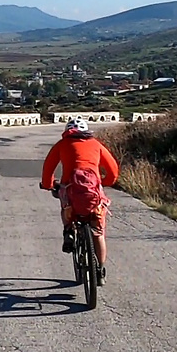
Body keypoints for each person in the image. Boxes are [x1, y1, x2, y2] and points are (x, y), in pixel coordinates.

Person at [39, 117, 119, 281]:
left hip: (70, 189)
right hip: (93, 191)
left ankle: (69, 229)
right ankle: (100, 271)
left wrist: (48, 185)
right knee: (98, 233)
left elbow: (48, 168)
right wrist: (104, 182)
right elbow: (113, 170)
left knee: (66, 206)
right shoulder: (96, 145)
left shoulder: (62, 145)